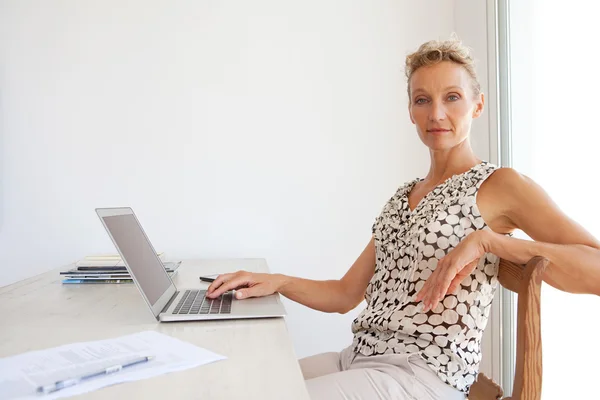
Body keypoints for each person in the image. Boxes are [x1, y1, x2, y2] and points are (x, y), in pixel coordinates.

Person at [206, 37, 600, 399]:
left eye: (452, 97)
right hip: (359, 358)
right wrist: (277, 281)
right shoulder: (402, 197)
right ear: (410, 111)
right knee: (238, 386)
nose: (437, 113)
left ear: (477, 105)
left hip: (424, 376)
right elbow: (345, 294)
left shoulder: (501, 185)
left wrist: (488, 241)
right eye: (422, 100)